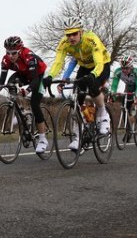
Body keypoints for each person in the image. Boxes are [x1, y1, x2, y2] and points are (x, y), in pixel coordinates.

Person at [42, 18, 112, 151]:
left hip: (101, 65)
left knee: (93, 87)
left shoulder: (91, 39)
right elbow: (58, 62)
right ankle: (77, 137)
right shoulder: (64, 43)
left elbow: (98, 61)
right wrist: (50, 76)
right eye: (68, 34)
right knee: (77, 101)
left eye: (74, 34)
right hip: (84, 67)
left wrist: (93, 75)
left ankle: (103, 115)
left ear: (81, 32)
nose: (71, 37)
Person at [0, 36, 49, 153]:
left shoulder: (29, 57)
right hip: (23, 74)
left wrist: (28, 90)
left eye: (13, 53)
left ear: (20, 50)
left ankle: (43, 139)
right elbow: (1, 81)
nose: (10, 56)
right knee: (10, 84)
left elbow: (34, 80)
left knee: (35, 105)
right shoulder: (6, 60)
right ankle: (20, 112)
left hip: (37, 77)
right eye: (8, 52)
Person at [110, 55, 137, 129]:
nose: (124, 70)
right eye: (122, 68)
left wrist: (136, 97)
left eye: (126, 68)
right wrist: (113, 96)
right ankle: (128, 129)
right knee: (124, 106)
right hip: (129, 86)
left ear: (131, 67)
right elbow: (114, 86)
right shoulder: (118, 72)